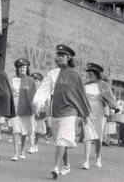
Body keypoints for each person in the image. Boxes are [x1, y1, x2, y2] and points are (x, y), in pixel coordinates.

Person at [33, 44, 91, 179]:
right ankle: (66, 165)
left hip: (70, 112)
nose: (60, 58)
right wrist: (37, 103)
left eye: (63, 56)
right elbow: (44, 89)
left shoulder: (75, 74)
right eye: (58, 56)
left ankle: (56, 167)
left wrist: (85, 112)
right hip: (55, 110)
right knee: (60, 139)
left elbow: (80, 94)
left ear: (69, 58)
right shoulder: (52, 73)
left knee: (62, 138)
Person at [82, 63, 118, 170]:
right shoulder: (85, 85)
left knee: (98, 137)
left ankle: (98, 158)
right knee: (87, 137)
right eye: (88, 74)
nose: (89, 76)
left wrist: (112, 109)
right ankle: (86, 161)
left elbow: (110, 99)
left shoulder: (103, 85)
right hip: (88, 113)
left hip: (100, 113)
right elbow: (81, 99)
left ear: (97, 74)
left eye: (91, 74)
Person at [9, 58, 38, 161]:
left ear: (27, 68)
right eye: (20, 67)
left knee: (24, 132)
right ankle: (15, 153)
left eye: (24, 67)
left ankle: (22, 151)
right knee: (16, 131)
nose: (22, 69)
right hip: (15, 107)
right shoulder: (13, 80)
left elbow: (34, 95)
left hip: (26, 108)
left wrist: (34, 108)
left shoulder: (31, 81)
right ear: (17, 69)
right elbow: (9, 94)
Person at [31, 72, 49, 153]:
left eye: (37, 80)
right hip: (30, 111)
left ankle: (35, 144)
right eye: (34, 80)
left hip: (40, 112)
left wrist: (47, 114)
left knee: (38, 131)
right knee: (31, 129)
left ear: (40, 81)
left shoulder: (43, 90)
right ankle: (32, 144)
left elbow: (47, 102)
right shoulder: (29, 89)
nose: (35, 81)